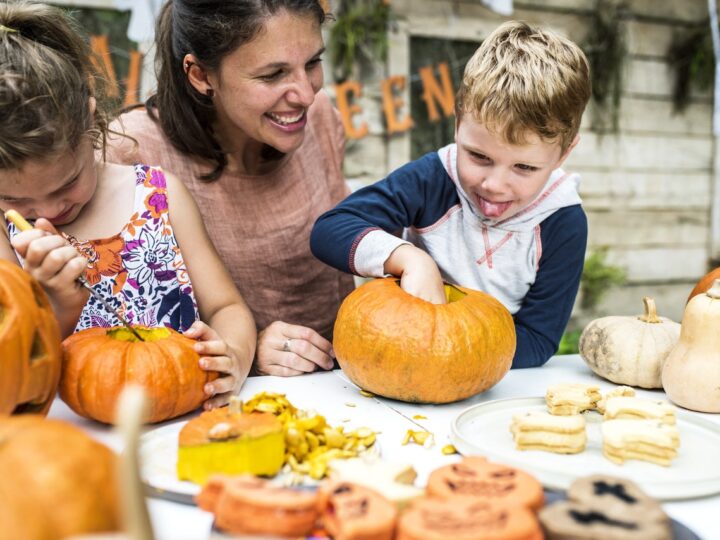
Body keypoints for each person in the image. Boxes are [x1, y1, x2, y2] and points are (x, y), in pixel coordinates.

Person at [0, 2, 256, 409]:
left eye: (67, 183)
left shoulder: (158, 196)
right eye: (15, 200)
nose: (47, 211)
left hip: (182, 417)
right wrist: (57, 304)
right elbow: (14, 372)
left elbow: (226, 307)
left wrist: (234, 356)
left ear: (91, 122)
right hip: (72, 434)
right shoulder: (5, 238)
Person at [311, 21, 592, 369]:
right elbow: (330, 229)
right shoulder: (433, 179)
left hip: (487, 378)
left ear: (564, 153)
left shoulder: (563, 222)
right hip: (401, 354)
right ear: (458, 125)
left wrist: (449, 353)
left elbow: (538, 339)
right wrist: (411, 259)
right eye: (479, 156)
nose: (494, 184)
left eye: (524, 167)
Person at [105, 0, 355, 377]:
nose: (306, 94)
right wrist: (242, 353)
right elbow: (112, 336)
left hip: (346, 388)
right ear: (201, 75)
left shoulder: (320, 117)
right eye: (273, 74)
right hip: (218, 398)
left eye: (312, 63)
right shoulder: (131, 153)